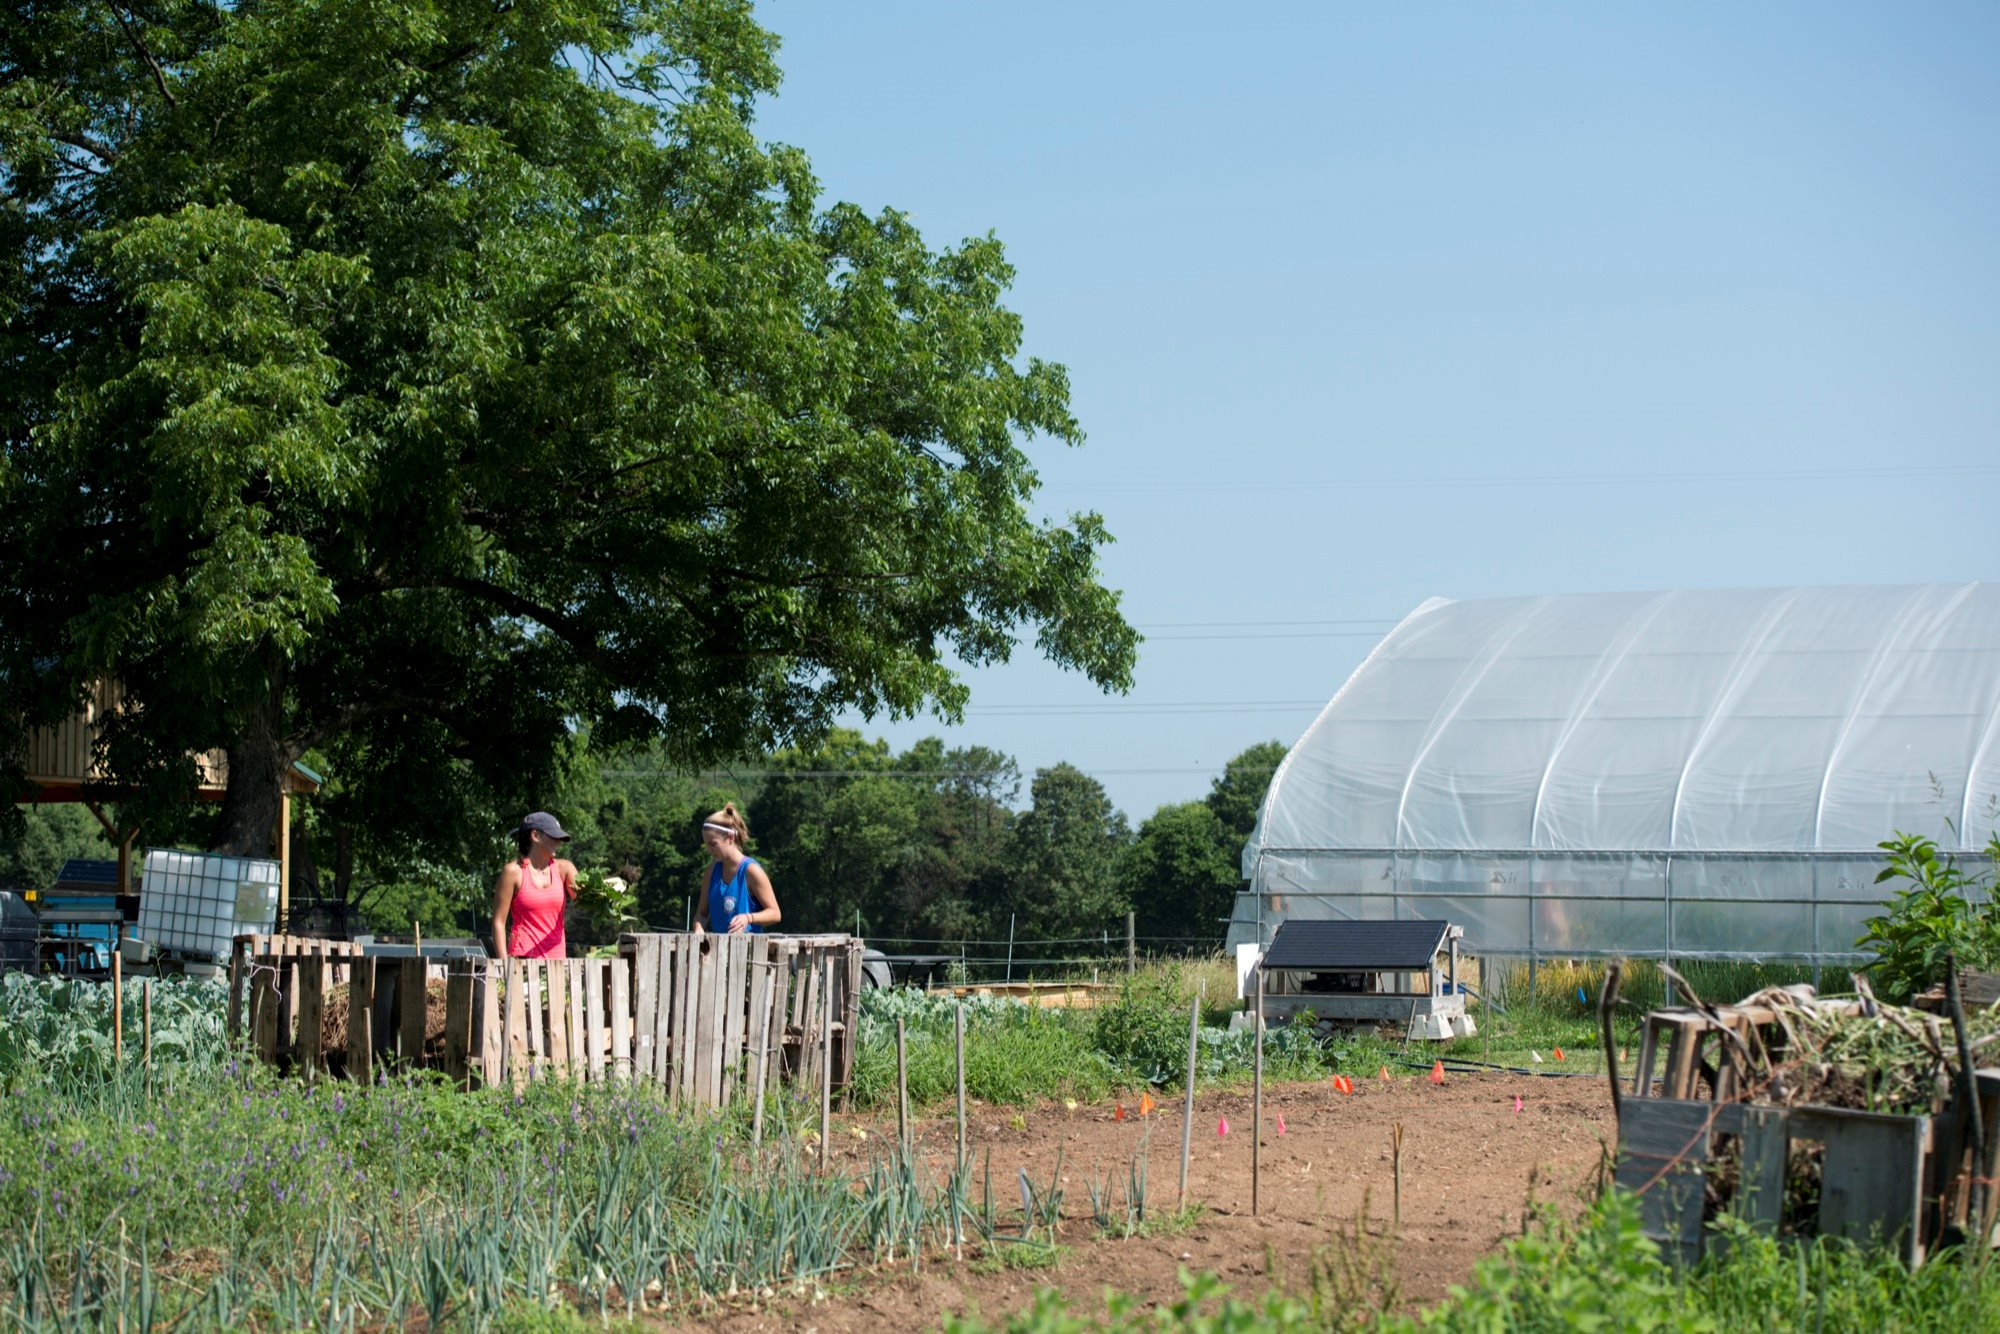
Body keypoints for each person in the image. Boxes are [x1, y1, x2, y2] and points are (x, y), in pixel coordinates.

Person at [491, 811, 576, 961]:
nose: (558, 842)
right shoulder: (513, 872)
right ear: (535, 836)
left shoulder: (565, 869)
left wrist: (616, 888)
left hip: (556, 962)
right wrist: (504, 967)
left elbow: (586, 898)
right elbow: (498, 922)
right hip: (522, 960)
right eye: (553, 836)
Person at [694, 802, 780, 934]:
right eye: (707, 845)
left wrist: (748, 918)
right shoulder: (711, 871)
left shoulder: (751, 870)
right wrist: (698, 928)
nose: (709, 850)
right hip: (719, 951)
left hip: (750, 951)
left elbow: (775, 913)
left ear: (730, 838)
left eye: (713, 844)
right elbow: (702, 913)